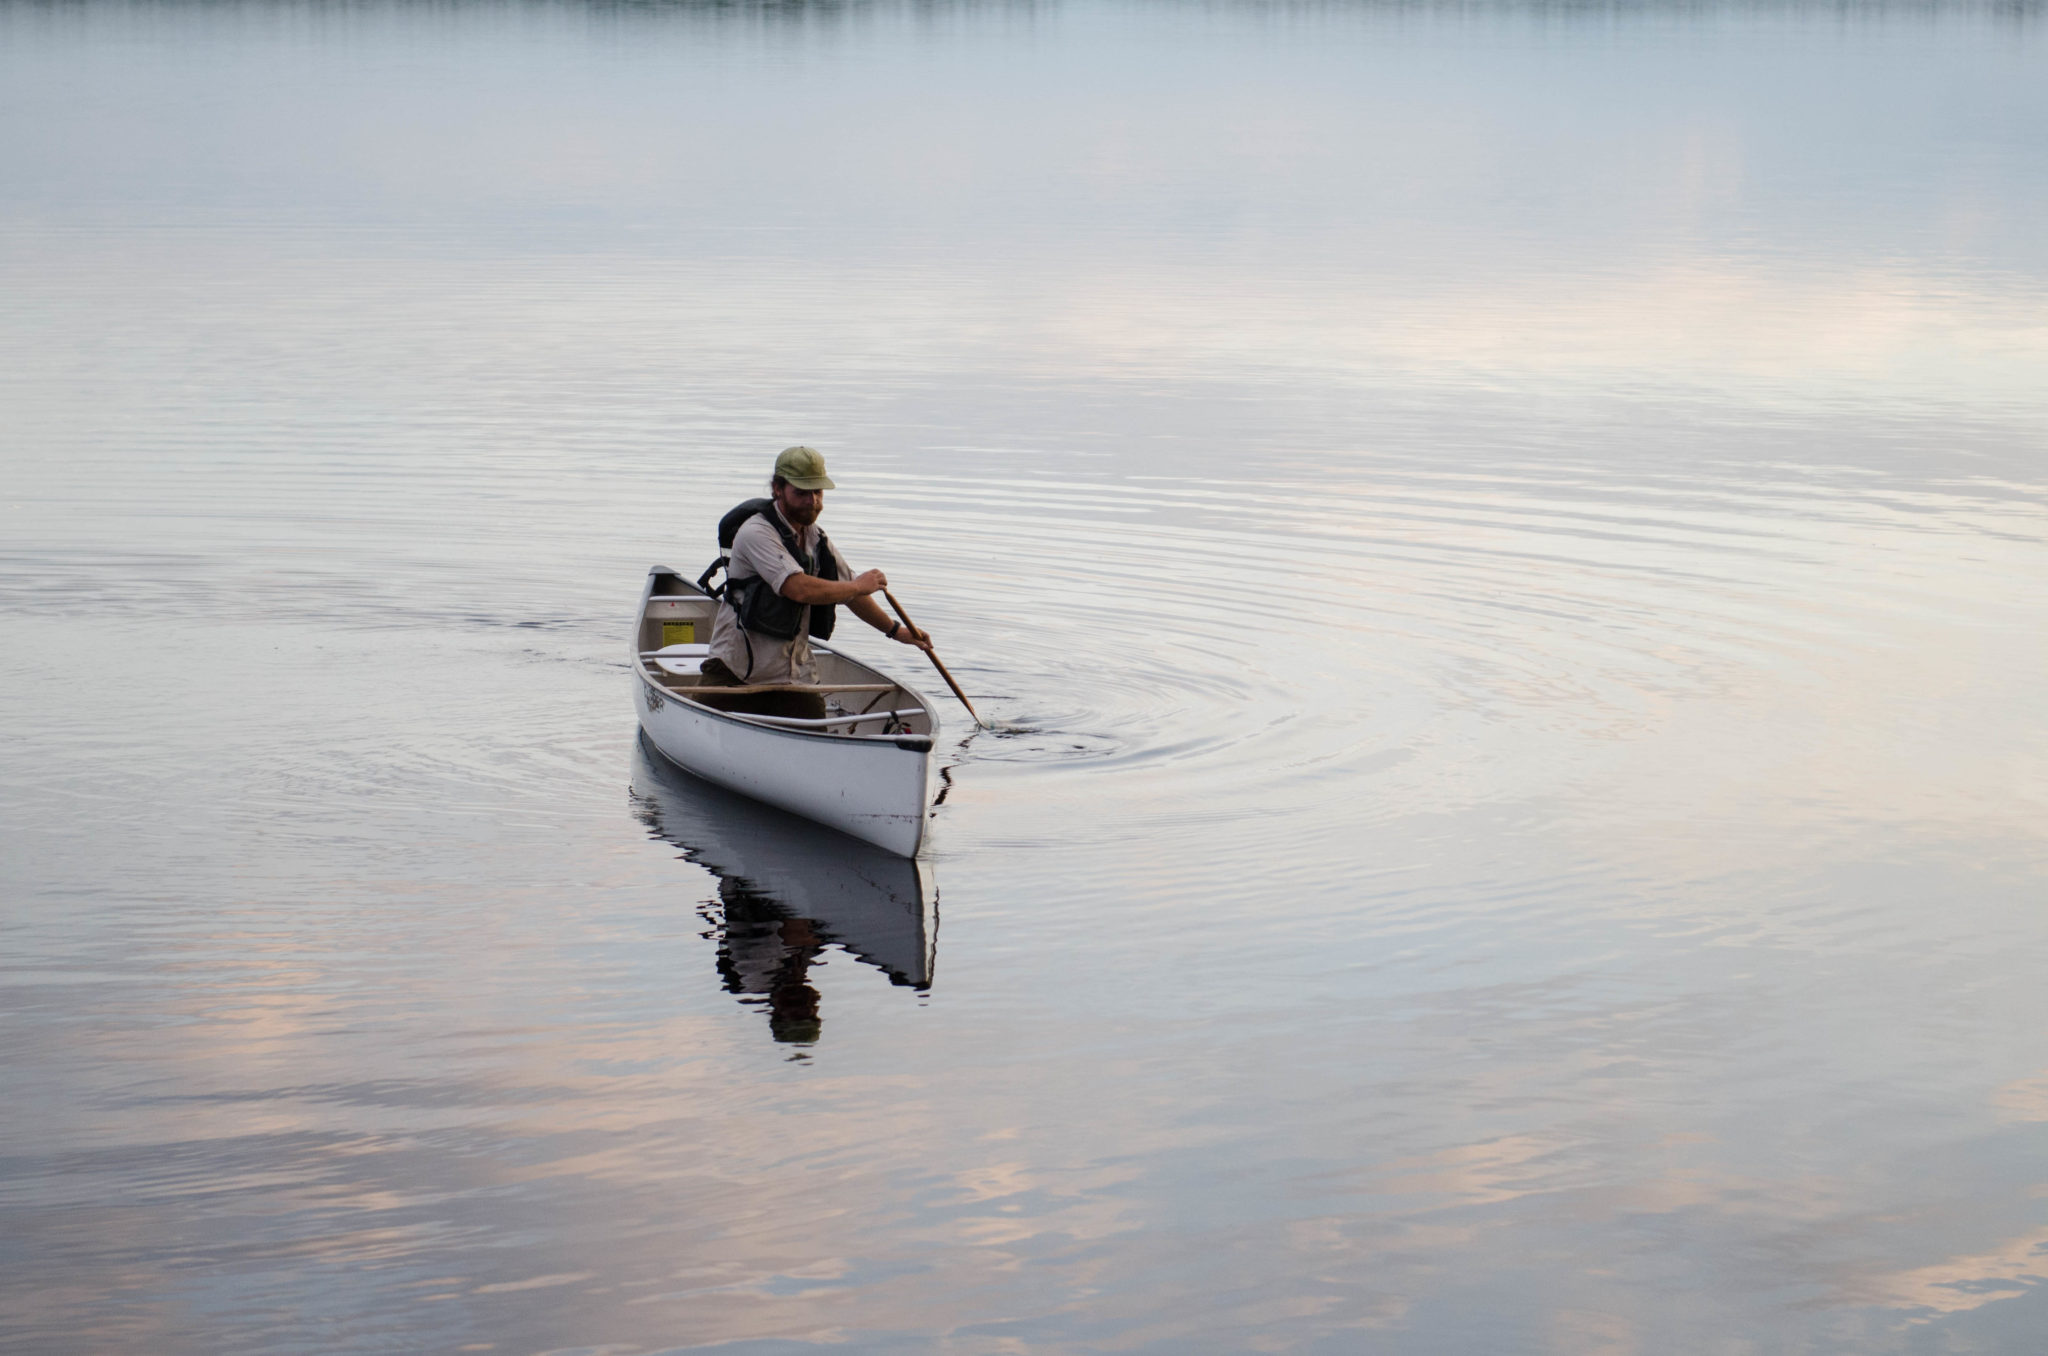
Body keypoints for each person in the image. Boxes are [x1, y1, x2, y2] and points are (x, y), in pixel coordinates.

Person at [699, 446, 931, 716]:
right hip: (735, 670)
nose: (812, 502)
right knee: (695, 722)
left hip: (793, 676)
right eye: (801, 492)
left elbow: (851, 593)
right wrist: (857, 585)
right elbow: (797, 588)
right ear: (777, 488)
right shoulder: (755, 532)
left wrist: (897, 631)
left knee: (819, 729)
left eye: (817, 492)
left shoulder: (816, 539)